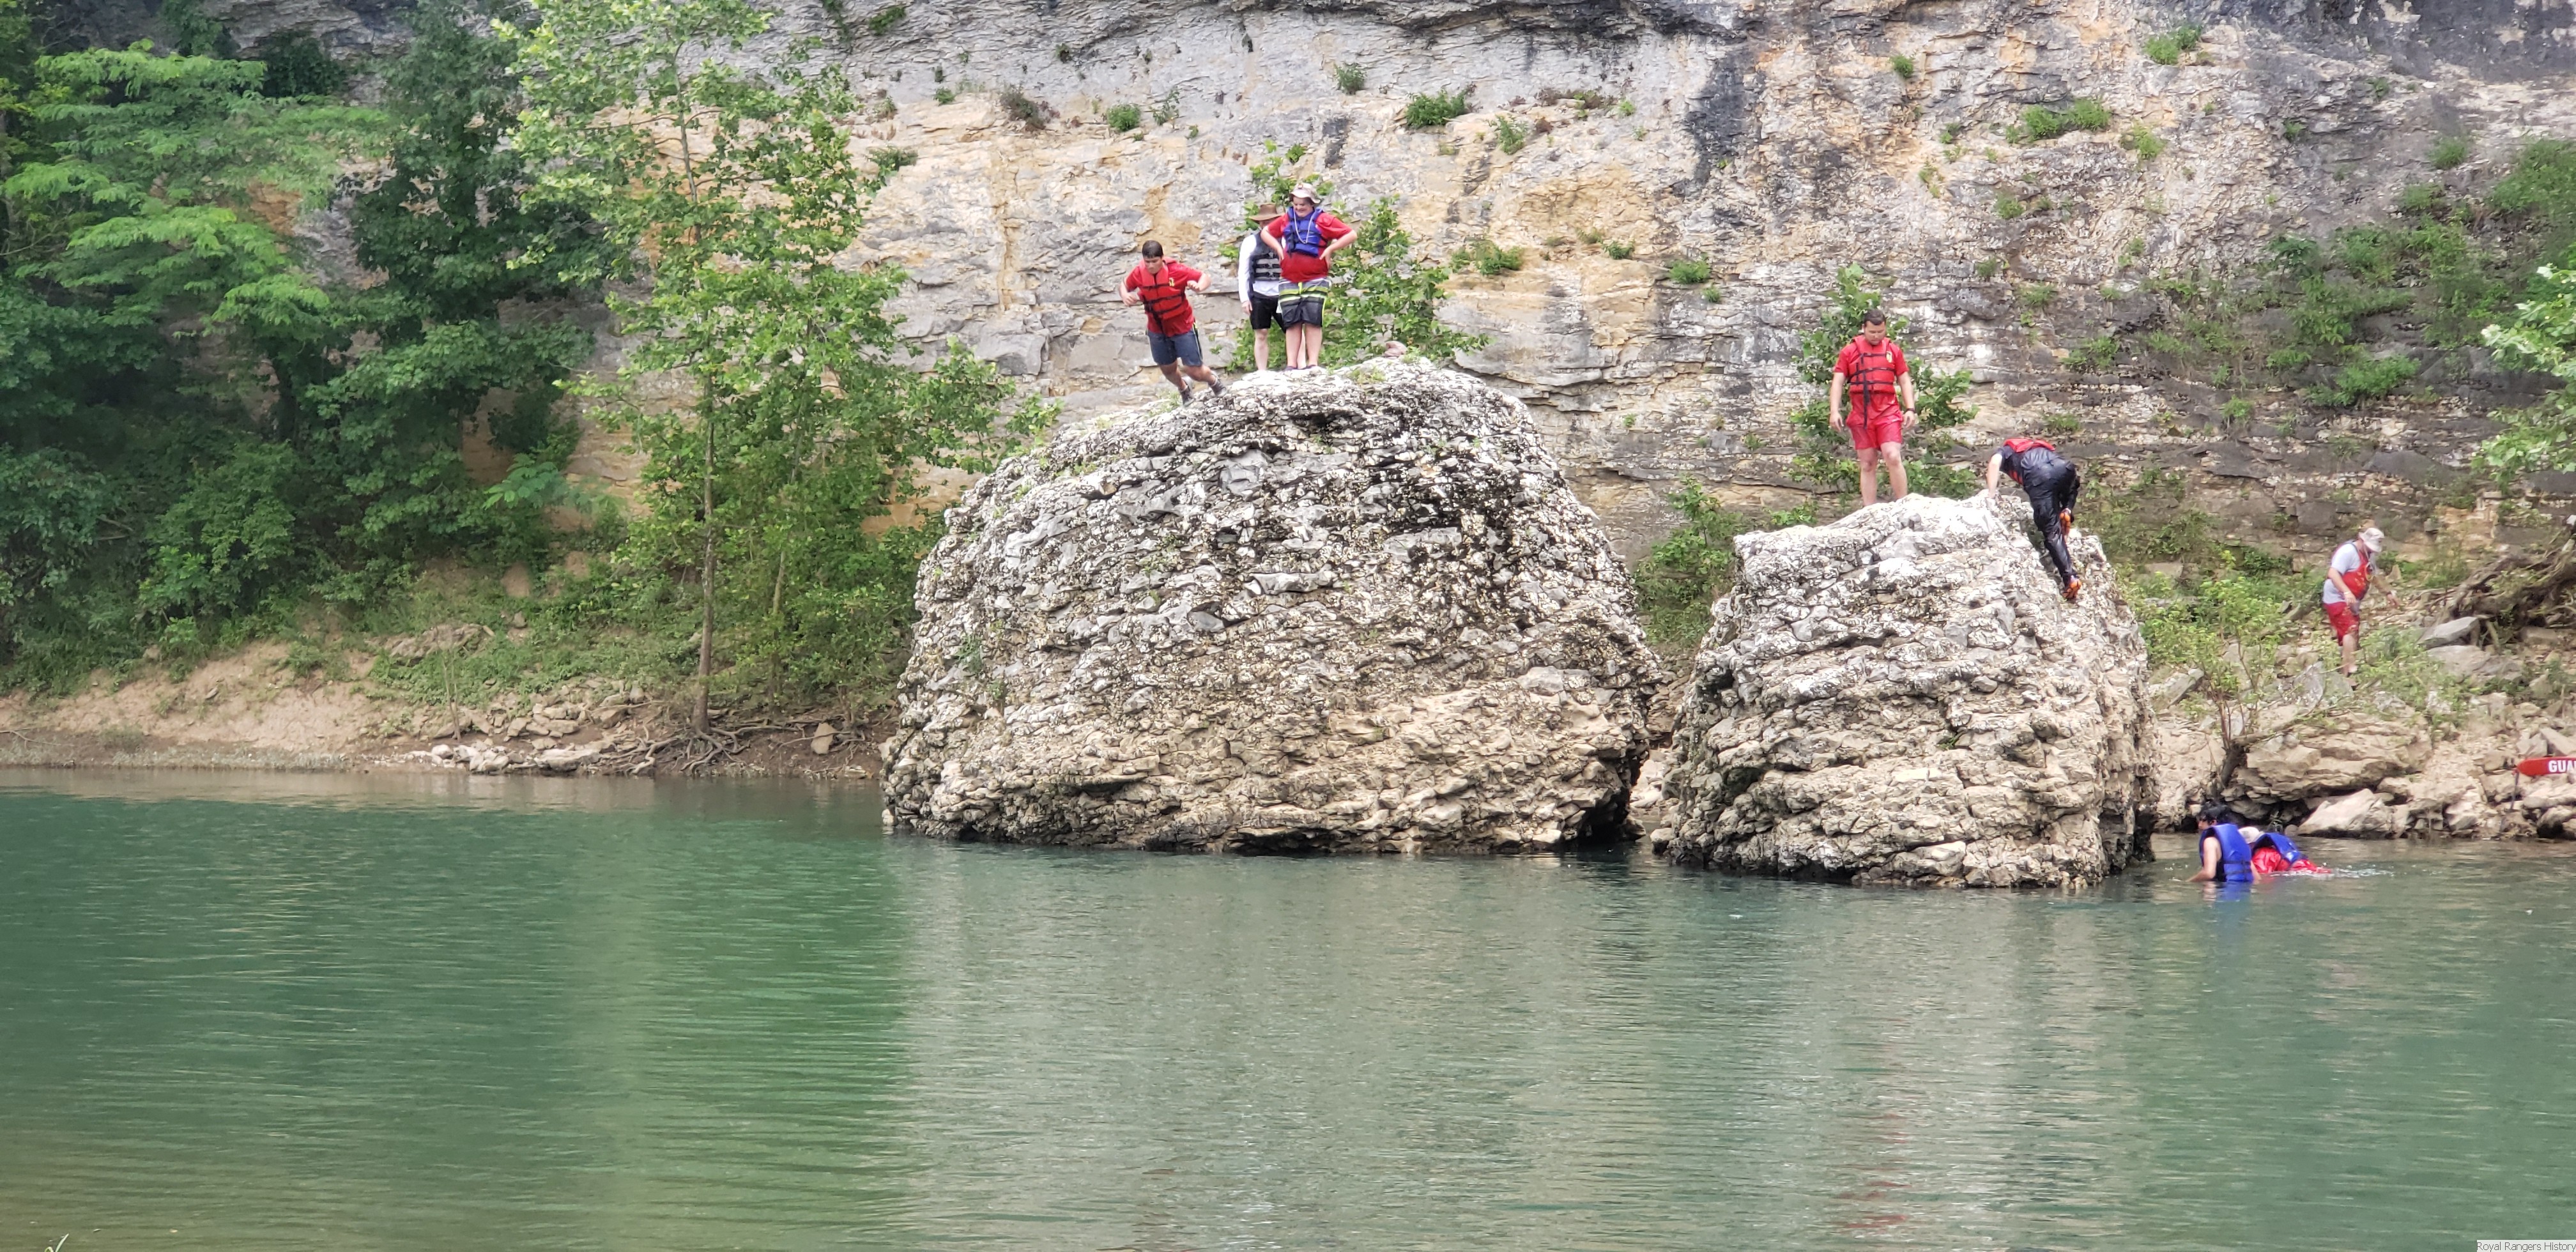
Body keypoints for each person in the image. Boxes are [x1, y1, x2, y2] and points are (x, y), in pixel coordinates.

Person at [1259, 183, 1354, 370]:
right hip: (1289, 277)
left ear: (1312, 203)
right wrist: (1278, 248)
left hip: (1316, 277)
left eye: (1303, 204)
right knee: (1292, 321)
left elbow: (1350, 234)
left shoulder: (1324, 220)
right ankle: (1291, 364)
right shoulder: (1287, 219)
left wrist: (1330, 249)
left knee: (1313, 319)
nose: (1299, 207)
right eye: (1296, 204)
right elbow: (1266, 233)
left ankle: (1313, 363)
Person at [1830, 308, 1917, 507]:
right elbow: (1838, 381)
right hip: (1861, 413)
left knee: (1892, 455)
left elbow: (1904, 379)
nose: (1877, 336)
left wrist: (1910, 409)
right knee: (1868, 463)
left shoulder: (1893, 351)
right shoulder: (1849, 352)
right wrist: (1834, 411)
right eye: (1872, 332)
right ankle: (1869, 510)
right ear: (1864, 328)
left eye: (1881, 332)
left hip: (1888, 410)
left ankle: (1903, 504)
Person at [1983, 435, 2085, 602]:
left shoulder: (2006, 451)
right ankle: (2067, 509)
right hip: (2064, 467)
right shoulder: (2036, 446)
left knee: (2051, 531)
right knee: (2072, 487)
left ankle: (2070, 578)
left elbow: (1994, 463)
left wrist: (1991, 495)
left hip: (2039, 476)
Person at [1121, 241, 1224, 402]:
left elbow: (1205, 278)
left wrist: (1199, 287)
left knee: (1194, 371)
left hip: (1182, 326)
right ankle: (1184, 388)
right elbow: (1124, 285)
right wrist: (1125, 295)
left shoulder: (1177, 271)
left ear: (1162, 258)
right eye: (1147, 262)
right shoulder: (1139, 273)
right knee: (1168, 370)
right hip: (1157, 328)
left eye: (1154, 261)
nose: (1150, 266)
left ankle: (1214, 382)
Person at [2322, 526, 2385, 678]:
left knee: (2353, 632)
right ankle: (2350, 668)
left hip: (2353, 601)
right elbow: (2333, 573)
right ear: (2361, 540)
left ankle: (2345, 670)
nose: (2371, 551)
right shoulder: (2348, 552)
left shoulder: (2369, 555)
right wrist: (2346, 591)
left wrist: (2388, 593)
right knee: (2350, 628)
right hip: (2336, 596)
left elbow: (2374, 576)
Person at [1236, 207, 1285, 372]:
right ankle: (1262, 371)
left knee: (1293, 331)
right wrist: (1244, 299)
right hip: (1258, 294)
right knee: (1261, 332)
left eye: (1270, 221)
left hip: (1283, 293)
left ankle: (1298, 365)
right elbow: (1243, 272)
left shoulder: (1286, 240)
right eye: (1263, 222)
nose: (1266, 225)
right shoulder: (1250, 242)